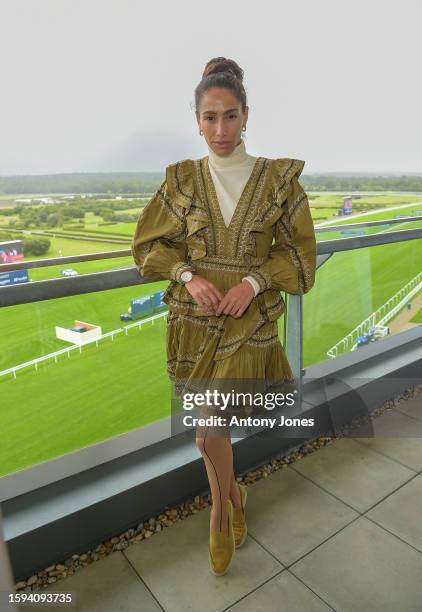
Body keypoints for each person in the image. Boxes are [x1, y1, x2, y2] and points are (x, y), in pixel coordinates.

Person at [131, 57, 317, 577]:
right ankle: (234, 496)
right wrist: (188, 274)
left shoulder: (279, 180)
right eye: (210, 117)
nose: (221, 129)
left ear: (247, 116)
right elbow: (146, 246)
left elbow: (301, 257)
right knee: (212, 429)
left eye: (230, 116)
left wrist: (254, 282)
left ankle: (217, 513)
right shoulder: (181, 181)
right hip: (193, 322)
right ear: (196, 119)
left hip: (249, 322)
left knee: (207, 432)